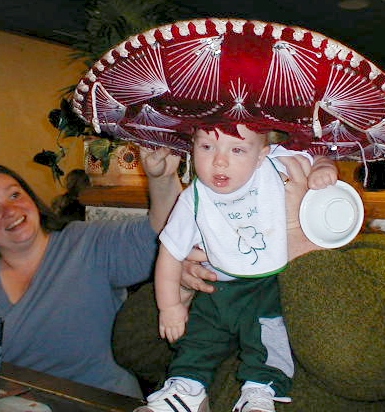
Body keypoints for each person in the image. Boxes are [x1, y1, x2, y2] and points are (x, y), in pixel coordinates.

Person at [0, 147, 182, 399]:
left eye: (15, 194)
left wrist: (162, 178)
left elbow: (162, 237)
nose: (10, 211)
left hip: (101, 402)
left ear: (31, 197)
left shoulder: (85, 243)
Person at [135, 124, 337, 412]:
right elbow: (169, 253)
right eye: (207, 147)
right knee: (197, 340)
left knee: (267, 343)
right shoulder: (193, 197)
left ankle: (259, 393)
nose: (220, 160)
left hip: (266, 287)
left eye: (238, 149)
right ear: (192, 148)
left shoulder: (274, 168)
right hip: (217, 288)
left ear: (260, 155)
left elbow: (312, 155)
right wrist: (170, 307)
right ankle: (186, 390)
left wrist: (323, 167)